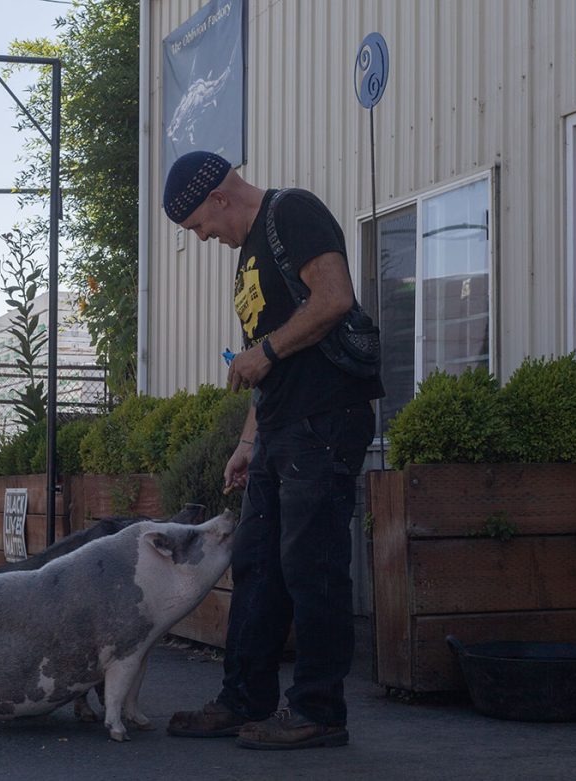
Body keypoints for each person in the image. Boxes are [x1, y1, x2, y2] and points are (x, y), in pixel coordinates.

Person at [162, 151, 383, 750]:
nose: (205, 237)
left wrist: (270, 353)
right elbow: (261, 361)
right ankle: (243, 700)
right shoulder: (249, 257)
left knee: (312, 567)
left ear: (219, 198)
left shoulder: (294, 212)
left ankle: (318, 711)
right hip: (281, 427)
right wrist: (246, 441)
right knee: (257, 564)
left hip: (326, 418)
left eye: (200, 226)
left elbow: (334, 297)